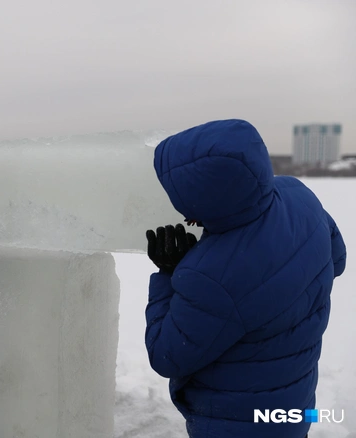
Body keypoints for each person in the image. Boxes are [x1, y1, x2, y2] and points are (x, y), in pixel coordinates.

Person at [144, 119, 346, 438]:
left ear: (201, 201)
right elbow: (337, 260)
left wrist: (168, 274)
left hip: (235, 422)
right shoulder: (299, 195)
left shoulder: (212, 275)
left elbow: (166, 356)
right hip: (291, 401)